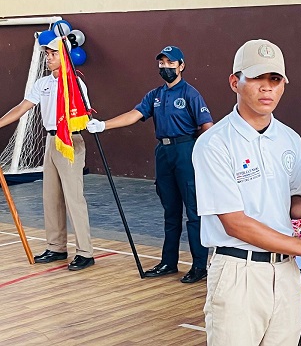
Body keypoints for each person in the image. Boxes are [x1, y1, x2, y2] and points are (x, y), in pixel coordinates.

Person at [191, 39, 301, 346]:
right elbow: (234, 222)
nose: (267, 88)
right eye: (257, 78)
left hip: (285, 272)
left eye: (274, 80)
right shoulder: (214, 143)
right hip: (238, 273)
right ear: (235, 82)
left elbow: (294, 201)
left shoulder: (289, 138)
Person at [86, 46, 213, 283]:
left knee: (194, 211)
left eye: (170, 63)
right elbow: (134, 114)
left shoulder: (190, 94)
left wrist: (208, 157)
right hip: (163, 153)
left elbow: (207, 127)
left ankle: (199, 265)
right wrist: (103, 125)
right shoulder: (155, 95)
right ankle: (168, 262)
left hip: (185, 150)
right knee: (170, 211)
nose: (165, 67)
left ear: (181, 66)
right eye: (162, 63)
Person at [0, 37, 94, 270]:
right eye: (47, 54)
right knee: (51, 196)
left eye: (52, 54)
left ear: (64, 56)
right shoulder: (42, 83)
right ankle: (56, 246)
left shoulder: (75, 84)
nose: (48, 58)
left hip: (70, 140)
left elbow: (84, 115)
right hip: (51, 140)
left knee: (74, 198)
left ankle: (85, 251)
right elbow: (22, 107)